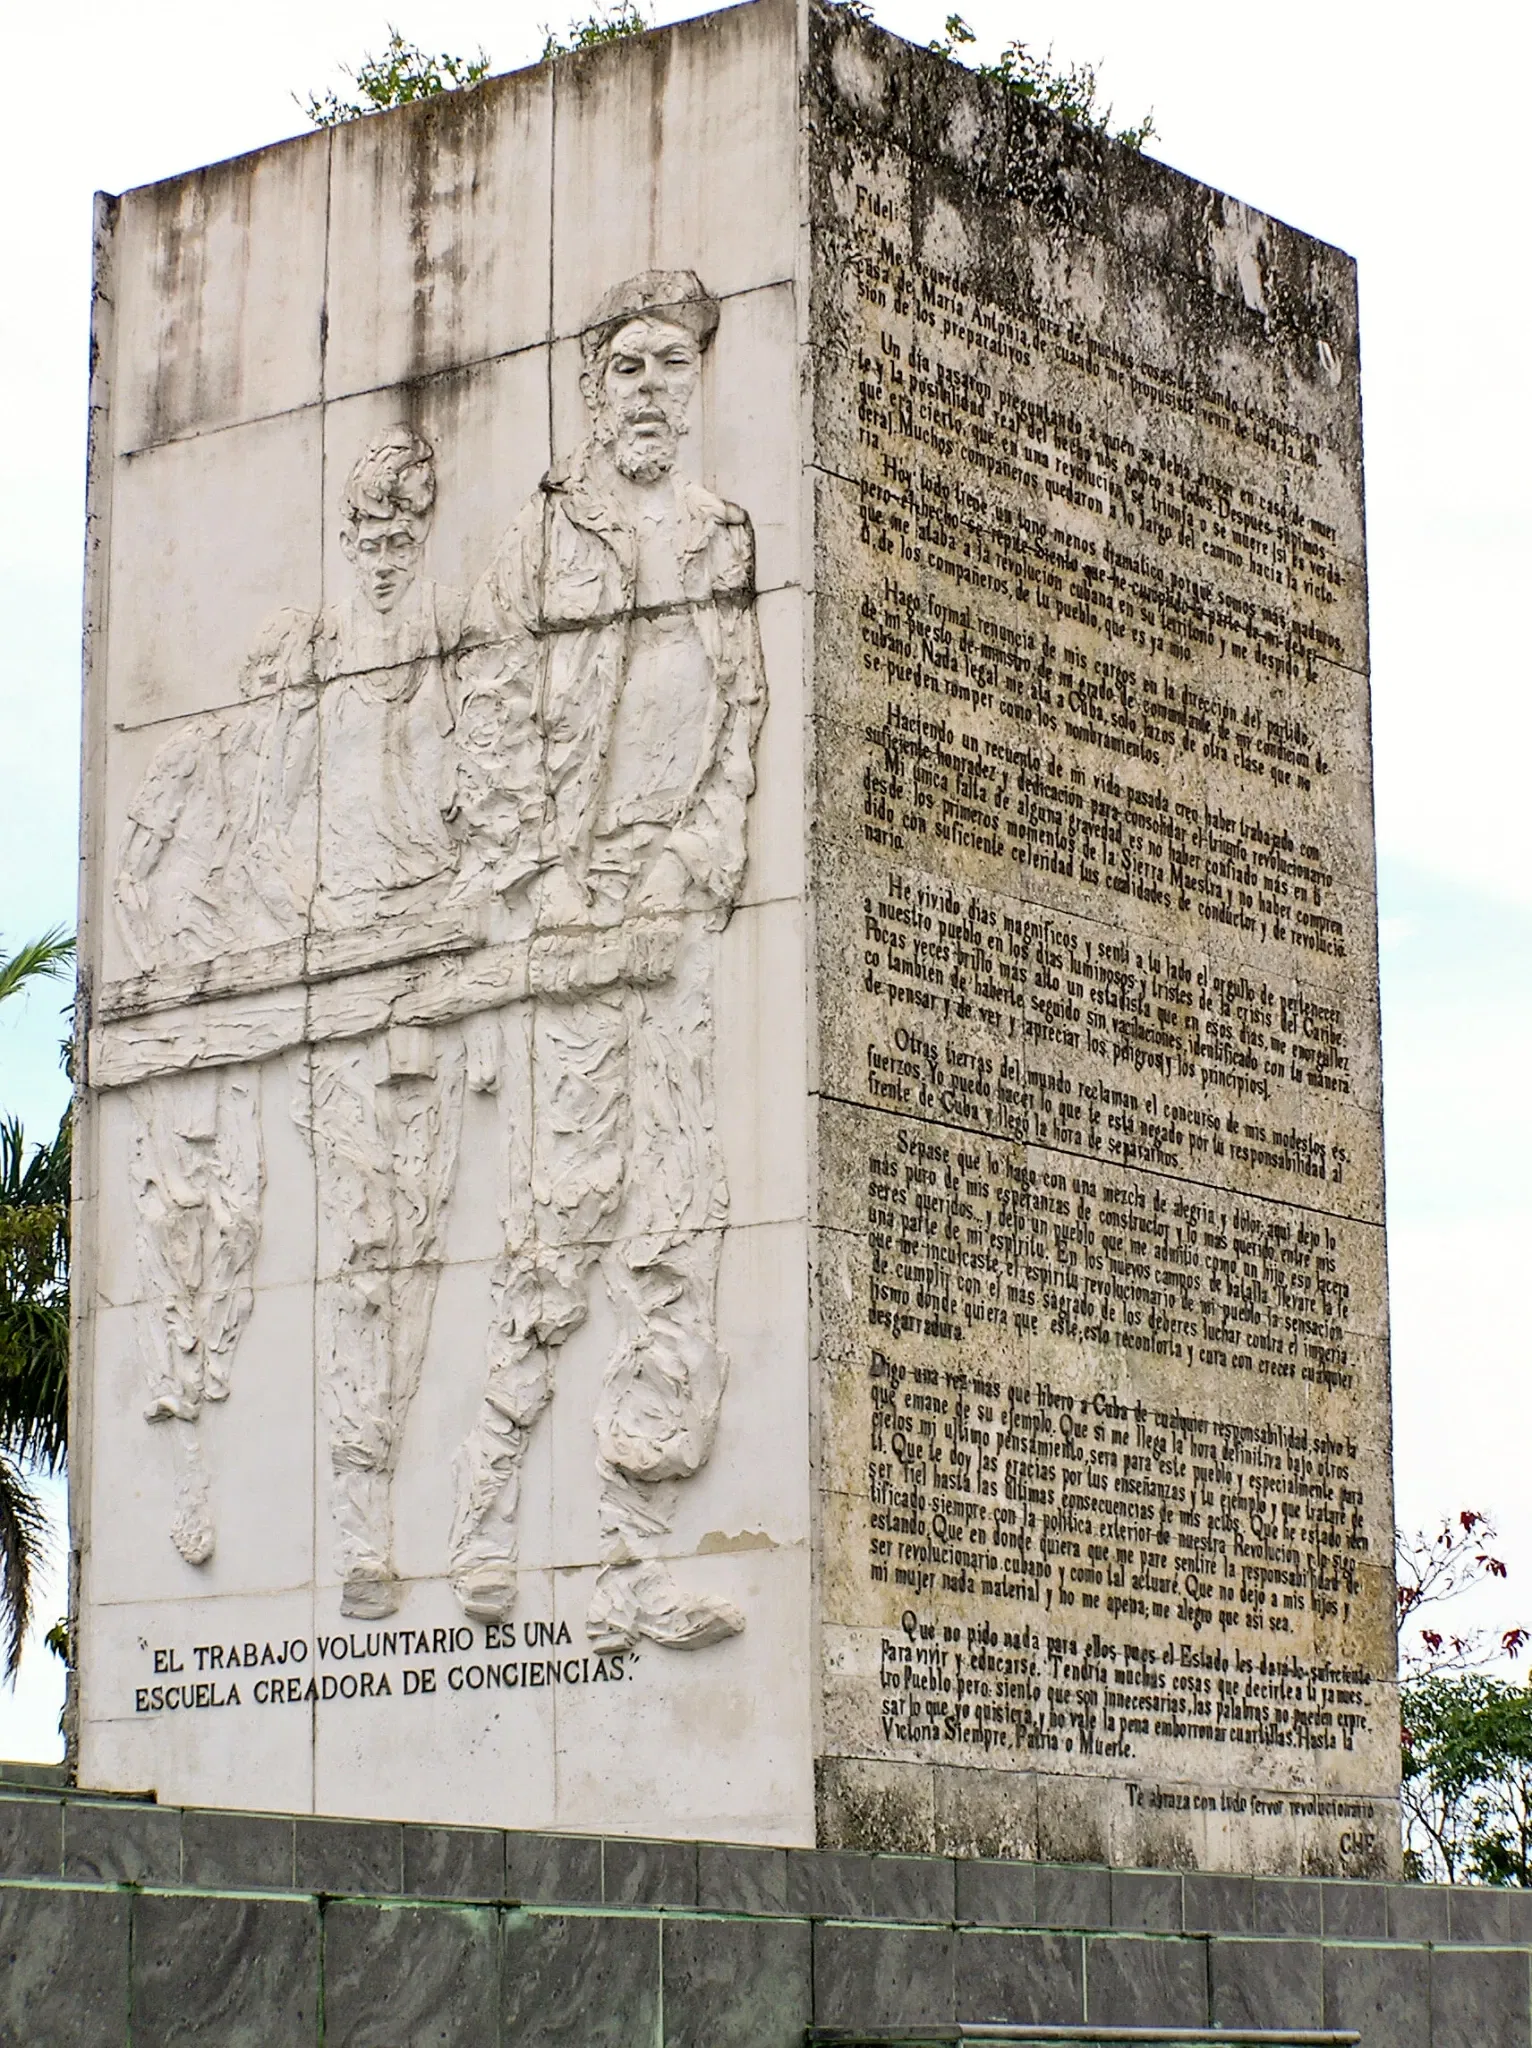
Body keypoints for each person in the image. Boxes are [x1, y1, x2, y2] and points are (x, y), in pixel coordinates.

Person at [447, 272, 767, 1651]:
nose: (650, 385)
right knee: (563, 1219)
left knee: (676, 1228)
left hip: (672, 919)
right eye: (627, 364)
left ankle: (632, 1563)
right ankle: (480, 1515)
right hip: (573, 920)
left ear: (696, 383)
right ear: (595, 386)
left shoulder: (722, 536)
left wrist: (696, 861)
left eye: (671, 365)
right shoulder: (541, 538)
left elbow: (741, 713)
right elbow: (490, 708)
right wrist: (538, 878)